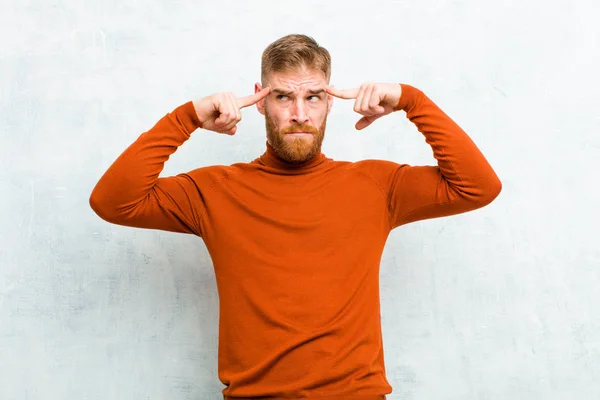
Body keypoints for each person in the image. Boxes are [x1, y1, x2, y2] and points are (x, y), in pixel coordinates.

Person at [89, 33, 502, 400]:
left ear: (329, 103)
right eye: (284, 97)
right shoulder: (214, 191)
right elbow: (113, 201)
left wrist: (412, 100)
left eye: (313, 97)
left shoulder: (376, 186)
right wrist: (188, 117)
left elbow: (477, 187)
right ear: (260, 99)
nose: (299, 114)